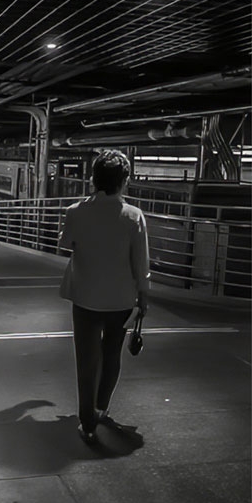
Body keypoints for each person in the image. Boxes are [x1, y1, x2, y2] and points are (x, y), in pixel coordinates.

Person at [59, 149, 150, 445]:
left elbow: (66, 244)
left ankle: (87, 423)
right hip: (121, 300)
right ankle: (101, 407)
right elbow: (141, 262)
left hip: (85, 297)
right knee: (111, 355)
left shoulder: (75, 211)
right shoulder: (133, 216)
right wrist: (143, 297)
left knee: (87, 360)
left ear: (94, 179)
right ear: (124, 180)